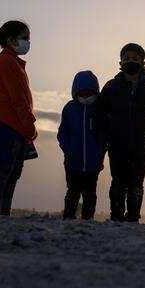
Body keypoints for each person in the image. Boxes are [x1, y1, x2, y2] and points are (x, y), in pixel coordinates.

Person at [100, 43, 145, 222]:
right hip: (116, 143)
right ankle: (116, 216)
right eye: (127, 58)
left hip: (140, 144)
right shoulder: (111, 86)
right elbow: (100, 112)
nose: (131, 61)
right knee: (118, 180)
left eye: (135, 58)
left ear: (143, 62)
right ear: (120, 63)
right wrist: (109, 130)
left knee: (136, 182)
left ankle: (133, 217)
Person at [0, 20, 37, 216]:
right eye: (24, 38)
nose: (28, 42)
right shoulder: (6, 61)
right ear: (11, 40)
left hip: (15, 124)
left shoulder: (13, 62)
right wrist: (29, 125)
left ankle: (2, 213)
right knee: (3, 168)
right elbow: (18, 98)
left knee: (13, 172)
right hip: (9, 123)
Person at [57, 71, 107, 220]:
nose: (86, 96)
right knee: (73, 191)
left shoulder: (99, 110)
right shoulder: (70, 109)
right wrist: (68, 150)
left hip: (93, 164)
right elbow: (62, 133)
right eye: (82, 92)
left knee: (90, 193)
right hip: (73, 162)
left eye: (89, 92)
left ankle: (88, 219)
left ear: (95, 91)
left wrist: (99, 154)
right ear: (76, 91)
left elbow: (104, 135)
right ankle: (68, 217)